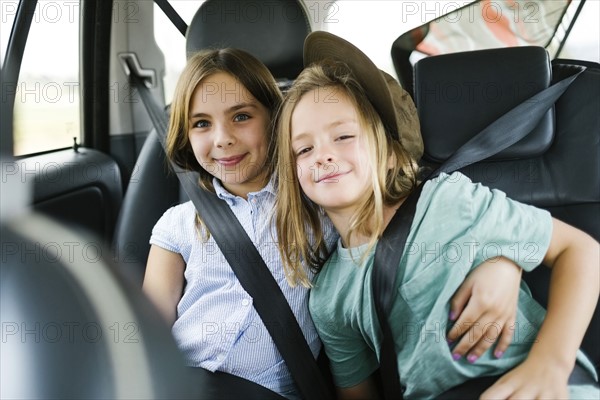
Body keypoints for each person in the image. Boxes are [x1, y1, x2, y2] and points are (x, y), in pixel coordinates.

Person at [143, 48, 527, 398]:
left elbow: (412, 221)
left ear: (276, 123)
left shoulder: (318, 200)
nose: (223, 138)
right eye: (201, 124)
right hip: (181, 384)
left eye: (241, 116)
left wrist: (501, 260)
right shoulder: (178, 224)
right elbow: (147, 333)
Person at [274, 31, 600, 399]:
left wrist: (551, 362)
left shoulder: (449, 200)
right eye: (303, 148)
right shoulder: (329, 298)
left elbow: (582, 251)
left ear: (393, 154)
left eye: (344, 136)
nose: (322, 155)